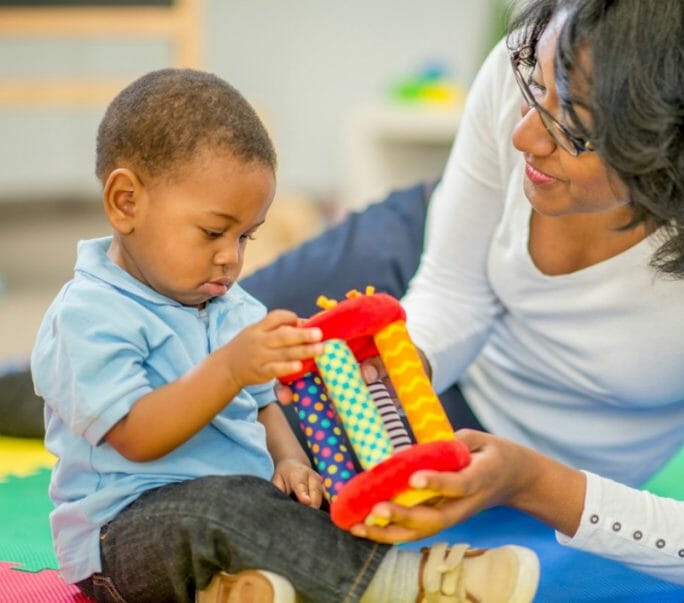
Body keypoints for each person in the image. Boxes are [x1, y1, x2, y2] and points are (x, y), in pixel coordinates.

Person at [28, 69, 540, 603]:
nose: (231, 256)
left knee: (313, 496)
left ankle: (243, 591)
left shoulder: (229, 306)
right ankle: (411, 583)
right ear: (126, 201)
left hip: (237, 508)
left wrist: (291, 462)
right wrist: (228, 369)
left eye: (245, 236)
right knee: (219, 511)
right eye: (212, 232)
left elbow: (266, 407)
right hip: (128, 537)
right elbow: (135, 437)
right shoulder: (87, 315)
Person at [335, 0, 684, 600]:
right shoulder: (545, 56)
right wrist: (399, 369)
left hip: (535, 456)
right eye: (533, 88)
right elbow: (453, 289)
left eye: (576, 129)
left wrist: (531, 483)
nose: (524, 135)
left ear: (678, 150)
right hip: (416, 268)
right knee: (204, 359)